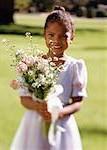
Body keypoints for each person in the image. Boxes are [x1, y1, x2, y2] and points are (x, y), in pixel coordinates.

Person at [10, 5, 87, 150]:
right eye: (51, 35)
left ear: (72, 38)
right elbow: (24, 99)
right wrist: (39, 107)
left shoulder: (75, 67)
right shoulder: (32, 64)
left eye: (63, 36)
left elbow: (78, 102)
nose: (56, 41)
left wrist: (60, 113)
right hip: (35, 123)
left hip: (62, 124)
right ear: (44, 35)